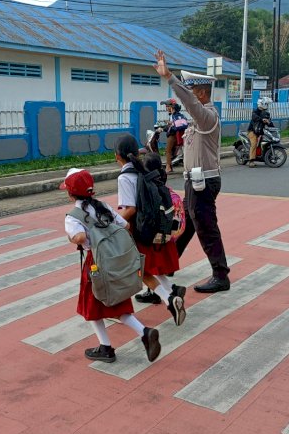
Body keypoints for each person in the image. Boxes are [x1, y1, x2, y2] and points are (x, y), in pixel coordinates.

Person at [61, 168, 161, 363]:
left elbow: (79, 237)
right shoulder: (103, 206)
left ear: (70, 193)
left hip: (95, 263)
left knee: (92, 307)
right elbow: (125, 226)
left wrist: (72, 237)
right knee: (116, 303)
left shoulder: (73, 216)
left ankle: (106, 347)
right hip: (114, 259)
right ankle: (143, 332)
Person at [153, 49, 230, 294]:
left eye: (193, 91)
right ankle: (169, 265)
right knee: (186, 225)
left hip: (204, 183)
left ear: (202, 93)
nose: (191, 97)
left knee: (206, 228)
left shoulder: (207, 116)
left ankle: (220, 275)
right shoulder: (197, 121)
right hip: (194, 182)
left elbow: (189, 102)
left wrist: (170, 78)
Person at [115, 135, 187, 325]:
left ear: (117, 156)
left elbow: (130, 209)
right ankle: (172, 291)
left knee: (140, 271)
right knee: (148, 268)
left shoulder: (124, 177)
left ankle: (169, 299)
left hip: (136, 231)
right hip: (150, 227)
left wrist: (112, 222)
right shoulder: (141, 170)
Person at [160, 98, 188, 173]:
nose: (166, 108)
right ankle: (171, 166)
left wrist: (165, 128)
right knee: (171, 151)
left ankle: (168, 167)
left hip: (173, 135)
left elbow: (172, 126)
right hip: (177, 135)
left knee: (168, 150)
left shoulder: (174, 116)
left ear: (172, 107)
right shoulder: (176, 115)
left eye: (167, 106)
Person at [247, 97, 273, 167]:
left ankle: (266, 157)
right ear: (262, 104)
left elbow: (270, 123)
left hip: (261, 132)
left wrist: (269, 123)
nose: (267, 105)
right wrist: (262, 120)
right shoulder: (255, 111)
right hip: (252, 131)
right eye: (266, 104)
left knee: (267, 142)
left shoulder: (266, 113)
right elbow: (255, 117)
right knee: (254, 144)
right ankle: (251, 161)